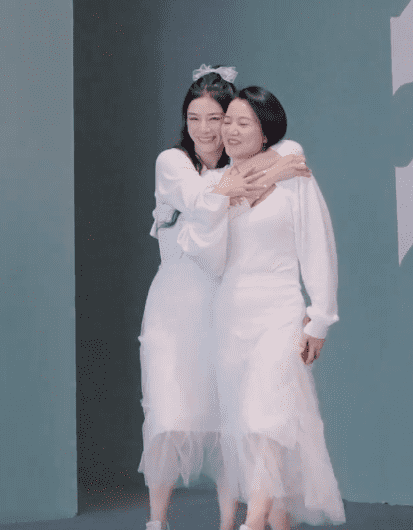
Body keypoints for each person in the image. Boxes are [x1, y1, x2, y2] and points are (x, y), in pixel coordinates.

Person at [138, 65, 311, 530]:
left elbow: (276, 170)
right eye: (193, 118)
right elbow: (199, 197)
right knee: (168, 411)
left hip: (228, 302)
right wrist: (267, 171)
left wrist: (265, 169)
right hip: (175, 304)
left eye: (215, 118)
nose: (205, 129)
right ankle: (157, 520)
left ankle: (229, 523)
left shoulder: (243, 163)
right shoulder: (171, 162)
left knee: (229, 416)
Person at [181, 86, 346, 530]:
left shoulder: (293, 171)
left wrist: (321, 317)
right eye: (226, 121)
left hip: (280, 310)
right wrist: (220, 199)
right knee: (246, 424)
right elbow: (207, 257)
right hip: (231, 314)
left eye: (244, 122)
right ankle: (276, 520)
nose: (230, 131)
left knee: (265, 413)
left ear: (266, 132)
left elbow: (318, 244)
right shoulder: (215, 184)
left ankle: (252, 522)